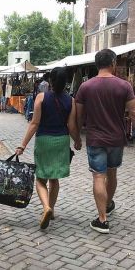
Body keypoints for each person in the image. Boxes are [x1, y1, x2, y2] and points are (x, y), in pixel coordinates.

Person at [75, 49, 135, 234]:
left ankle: (102, 219)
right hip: (116, 139)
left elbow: (79, 115)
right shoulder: (124, 86)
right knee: (112, 173)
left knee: (98, 177)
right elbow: (133, 113)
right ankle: (108, 204)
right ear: (113, 63)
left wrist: (77, 136)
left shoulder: (86, 87)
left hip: (95, 139)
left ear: (96, 64)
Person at [16, 67, 82, 229]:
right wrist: (77, 141)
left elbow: (34, 124)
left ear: (50, 81)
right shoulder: (70, 100)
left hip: (44, 140)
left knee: (40, 178)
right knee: (54, 178)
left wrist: (22, 145)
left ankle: (46, 207)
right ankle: (51, 209)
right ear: (66, 82)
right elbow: (71, 125)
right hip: (61, 141)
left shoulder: (41, 97)